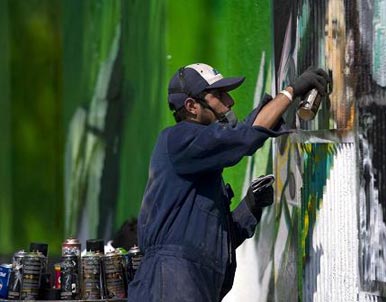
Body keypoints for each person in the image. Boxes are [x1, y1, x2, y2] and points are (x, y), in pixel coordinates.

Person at [127, 63, 330, 301]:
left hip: (186, 285)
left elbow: (217, 243)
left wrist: (250, 206)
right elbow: (243, 137)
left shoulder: (197, 165)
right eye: (220, 95)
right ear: (192, 106)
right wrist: (290, 92)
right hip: (169, 286)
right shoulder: (177, 138)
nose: (230, 102)